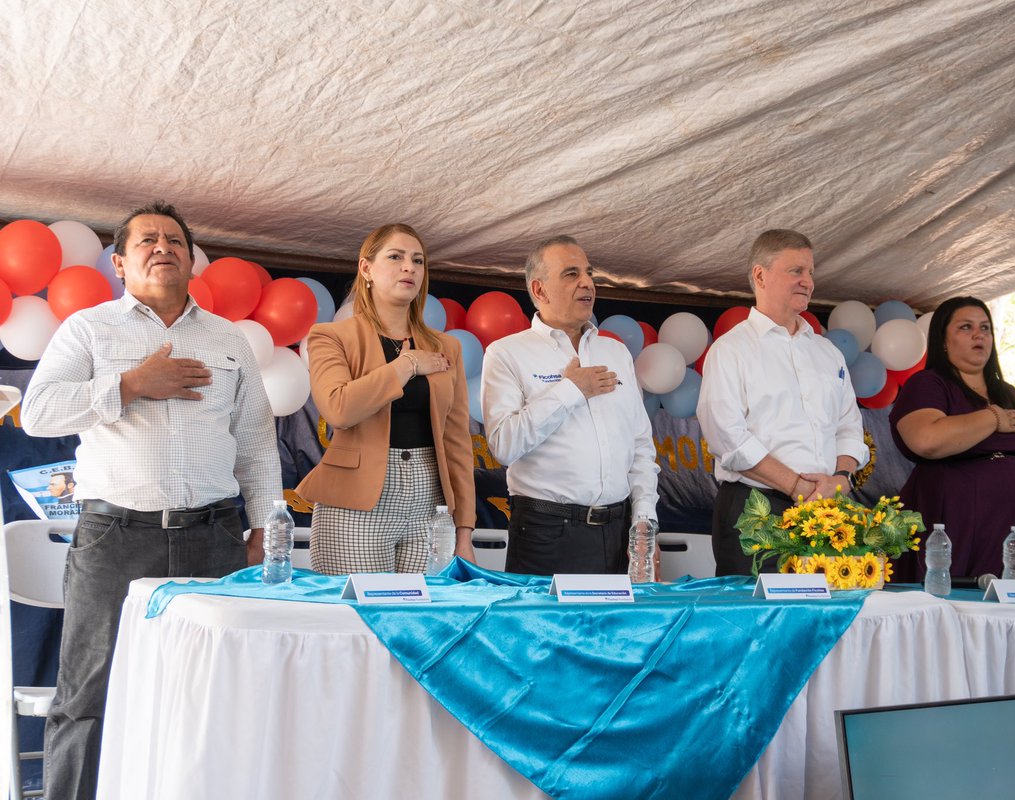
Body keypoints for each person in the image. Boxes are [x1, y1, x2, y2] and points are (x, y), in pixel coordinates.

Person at [22, 200, 281, 800]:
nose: (162, 247)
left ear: (192, 260)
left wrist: (265, 528)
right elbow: (36, 413)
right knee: (87, 695)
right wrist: (131, 385)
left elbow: (256, 441)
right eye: (147, 240)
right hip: (115, 539)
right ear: (118, 262)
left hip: (214, 537)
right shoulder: (89, 329)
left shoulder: (228, 340)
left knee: (213, 690)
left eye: (174, 240)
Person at [298, 223, 476, 573]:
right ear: (366, 269)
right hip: (356, 502)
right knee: (357, 619)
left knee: (422, 621)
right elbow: (338, 408)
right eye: (395, 257)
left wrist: (465, 531)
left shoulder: (447, 347)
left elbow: (457, 441)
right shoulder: (331, 336)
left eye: (418, 261)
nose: (409, 267)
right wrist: (406, 365)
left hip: (430, 501)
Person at [481, 235, 659, 575]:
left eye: (589, 273)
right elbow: (504, 445)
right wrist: (570, 390)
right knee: (546, 630)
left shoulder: (616, 353)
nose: (587, 283)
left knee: (618, 630)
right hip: (546, 533)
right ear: (539, 290)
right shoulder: (506, 353)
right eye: (571, 274)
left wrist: (644, 519)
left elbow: (640, 446)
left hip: (620, 532)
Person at [697, 229, 869, 576]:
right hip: (757, 506)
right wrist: (797, 486)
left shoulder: (826, 351)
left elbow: (850, 426)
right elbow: (728, 439)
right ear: (760, 275)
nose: (808, 282)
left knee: (828, 620)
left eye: (811, 272)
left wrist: (840, 478)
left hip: (829, 510)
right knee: (756, 621)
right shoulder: (731, 350)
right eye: (796, 271)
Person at [889, 296, 1015, 581]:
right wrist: (991, 419)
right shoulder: (928, 384)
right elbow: (925, 439)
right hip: (952, 528)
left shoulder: (1008, 393)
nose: (978, 334)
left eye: (985, 328)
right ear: (943, 340)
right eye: (965, 327)